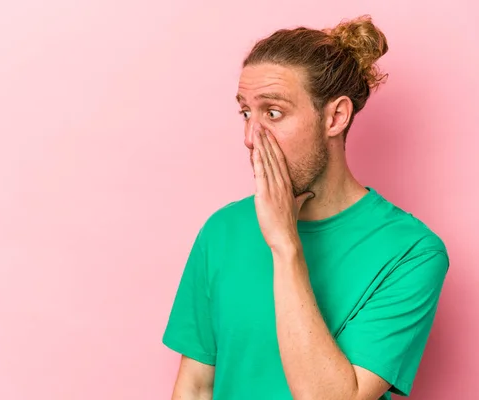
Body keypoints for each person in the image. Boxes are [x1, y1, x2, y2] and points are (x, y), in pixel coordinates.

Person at [162, 15, 449, 400]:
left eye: (273, 112)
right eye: (246, 112)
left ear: (335, 117)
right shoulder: (222, 230)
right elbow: (196, 387)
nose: (251, 137)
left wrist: (286, 245)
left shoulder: (411, 253)